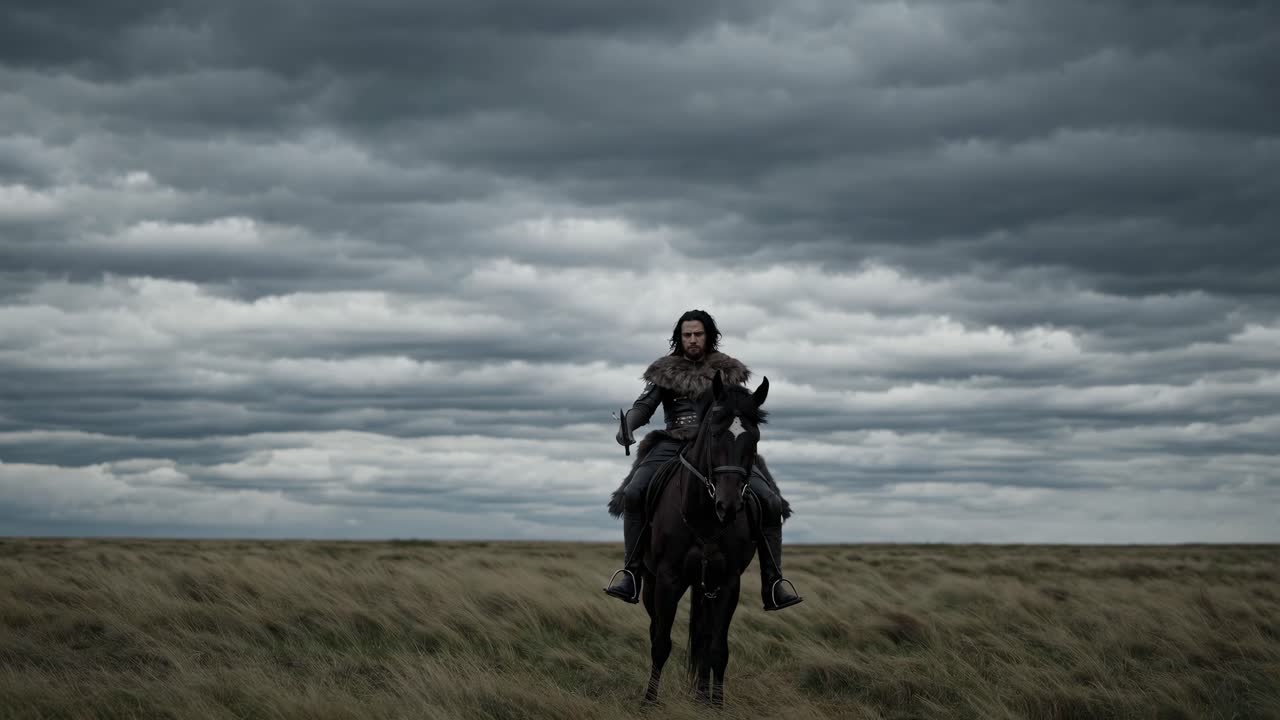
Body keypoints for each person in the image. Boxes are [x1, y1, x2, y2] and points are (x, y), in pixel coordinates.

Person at [603, 309, 802, 611]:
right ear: (679, 338)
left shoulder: (729, 371)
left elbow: (741, 409)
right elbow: (643, 406)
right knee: (633, 493)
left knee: (771, 502)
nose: (693, 340)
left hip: (720, 447)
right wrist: (627, 426)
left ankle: (773, 583)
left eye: (698, 334)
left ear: (708, 336)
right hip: (674, 442)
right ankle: (631, 573)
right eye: (687, 335)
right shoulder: (665, 370)